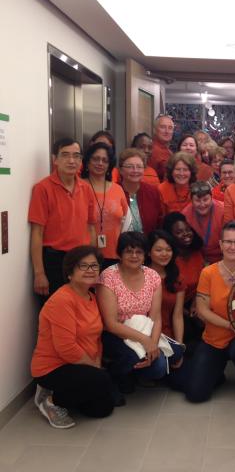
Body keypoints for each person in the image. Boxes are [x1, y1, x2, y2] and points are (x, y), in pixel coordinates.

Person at [31, 246, 114, 429]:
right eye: (83, 266)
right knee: (101, 380)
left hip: (81, 363)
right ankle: (50, 399)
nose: (90, 270)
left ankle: (69, 392)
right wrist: (94, 369)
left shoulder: (91, 297)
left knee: (103, 408)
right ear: (69, 273)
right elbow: (66, 348)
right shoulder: (62, 300)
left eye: (94, 266)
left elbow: (96, 338)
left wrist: (97, 362)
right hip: (54, 367)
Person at [184, 221, 235, 402]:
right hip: (213, 340)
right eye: (228, 242)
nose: (232, 246)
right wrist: (230, 325)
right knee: (195, 395)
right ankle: (216, 374)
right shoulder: (208, 273)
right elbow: (202, 310)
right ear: (220, 244)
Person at [97, 232, 170, 395]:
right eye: (129, 251)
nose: (134, 256)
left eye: (139, 252)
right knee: (132, 357)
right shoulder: (108, 277)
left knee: (159, 368)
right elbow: (111, 324)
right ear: (120, 254)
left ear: (145, 254)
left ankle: (136, 371)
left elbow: (155, 317)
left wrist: (153, 342)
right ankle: (114, 375)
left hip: (144, 328)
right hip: (116, 334)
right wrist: (146, 341)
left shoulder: (152, 276)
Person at [28, 138, 96, 301]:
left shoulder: (86, 188)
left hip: (82, 258)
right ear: (55, 159)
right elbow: (37, 233)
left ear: (81, 160)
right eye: (65, 155)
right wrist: (39, 273)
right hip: (54, 260)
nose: (71, 160)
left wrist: (93, 260)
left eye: (76, 156)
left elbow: (91, 227)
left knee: (81, 306)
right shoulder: (43, 188)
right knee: (55, 309)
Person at [81, 143, 128, 269]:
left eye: (105, 160)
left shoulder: (118, 189)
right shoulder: (79, 188)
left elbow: (126, 223)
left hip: (115, 256)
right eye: (96, 159)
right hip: (84, 257)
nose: (100, 163)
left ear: (109, 165)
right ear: (87, 161)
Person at [148, 230, 186, 352]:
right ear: (148, 252)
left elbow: (178, 315)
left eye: (168, 249)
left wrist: (179, 345)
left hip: (167, 337)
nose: (164, 254)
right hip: (143, 335)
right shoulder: (140, 276)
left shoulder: (177, 278)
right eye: (158, 250)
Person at [119, 148, 163, 235]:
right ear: (120, 170)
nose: (135, 170)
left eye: (139, 167)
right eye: (130, 167)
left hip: (147, 244)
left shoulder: (153, 192)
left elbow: (159, 221)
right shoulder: (114, 191)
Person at [182, 181, 224, 264]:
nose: (202, 204)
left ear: (211, 197)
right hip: (198, 257)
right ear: (191, 201)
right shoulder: (185, 214)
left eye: (205, 199)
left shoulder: (223, 211)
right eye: (197, 200)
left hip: (223, 256)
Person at [150, 114, 174, 180]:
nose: (167, 131)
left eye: (170, 128)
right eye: (163, 127)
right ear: (155, 130)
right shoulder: (151, 150)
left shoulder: (169, 152)